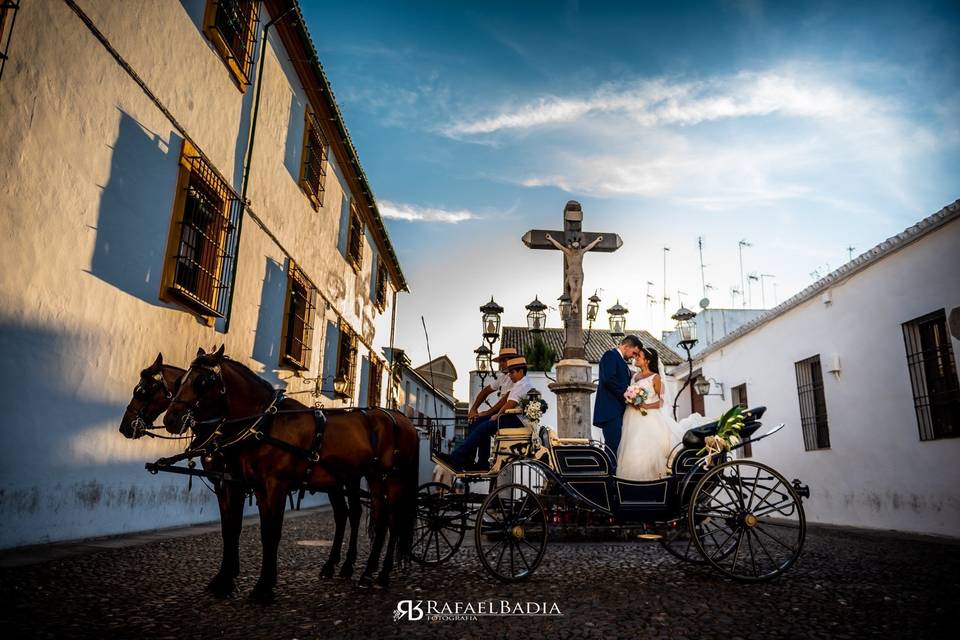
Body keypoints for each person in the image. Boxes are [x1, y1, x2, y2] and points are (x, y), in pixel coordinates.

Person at [443, 356, 532, 470]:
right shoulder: (520, 383)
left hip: (514, 420)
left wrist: (497, 415)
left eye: (512, 372)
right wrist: (492, 414)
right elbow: (506, 401)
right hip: (510, 417)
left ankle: (457, 457)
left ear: (521, 371)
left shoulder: (522, 385)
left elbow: (509, 403)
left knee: (484, 427)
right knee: (479, 423)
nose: (509, 375)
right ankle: (478, 462)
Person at [617, 346, 681, 481]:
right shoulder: (634, 376)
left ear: (647, 360)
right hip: (631, 417)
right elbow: (629, 392)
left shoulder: (655, 378)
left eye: (638, 356)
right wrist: (630, 400)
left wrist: (646, 405)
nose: (635, 358)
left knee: (645, 449)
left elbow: (663, 402)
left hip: (648, 418)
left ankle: (650, 482)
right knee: (630, 449)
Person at [593, 335, 642, 465]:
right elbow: (608, 379)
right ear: (626, 346)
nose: (633, 356)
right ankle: (610, 479)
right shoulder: (610, 355)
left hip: (617, 411)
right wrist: (627, 393)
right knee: (612, 447)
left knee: (617, 447)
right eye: (634, 352)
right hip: (610, 411)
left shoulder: (622, 362)